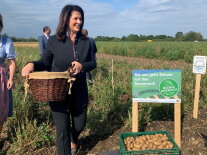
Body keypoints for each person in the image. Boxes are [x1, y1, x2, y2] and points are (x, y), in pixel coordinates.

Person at [22, 4, 97, 155]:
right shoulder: (55, 41)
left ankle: (73, 138)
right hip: (58, 91)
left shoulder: (86, 41)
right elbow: (44, 62)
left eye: (81, 18)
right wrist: (31, 64)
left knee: (79, 124)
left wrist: (82, 66)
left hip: (79, 89)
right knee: (62, 130)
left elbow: (93, 63)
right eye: (75, 18)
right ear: (66, 19)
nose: (79, 21)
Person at [0, 14, 16, 137]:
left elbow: (11, 62)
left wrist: (11, 78)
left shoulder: (6, 42)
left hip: (1, 79)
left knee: (1, 110)